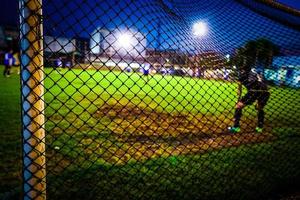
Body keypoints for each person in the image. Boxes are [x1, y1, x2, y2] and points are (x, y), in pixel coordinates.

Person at [228, 68, 270, 133]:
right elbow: (266, 85)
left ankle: (236, 127)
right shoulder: (256, 72)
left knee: (238, 106)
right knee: (259, 108)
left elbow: (239, 90)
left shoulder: (241, 76)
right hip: (266, 92)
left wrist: (238, 100)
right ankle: (259, 127)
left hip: (254, 91)